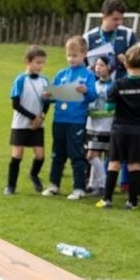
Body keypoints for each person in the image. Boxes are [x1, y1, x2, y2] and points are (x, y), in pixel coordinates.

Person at [96, 45, 140, 210]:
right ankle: (132, 202)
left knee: (114, 163)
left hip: (119, 129)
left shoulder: (118, 84)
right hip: (139, 131)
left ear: (125, 64)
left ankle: (107, 200)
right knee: (134, 165)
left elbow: (110, 109)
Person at [44, 36, 93, 199]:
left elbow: (93, 95)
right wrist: (48, 95)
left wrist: (85, 91)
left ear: (84, 54)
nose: (71, 59)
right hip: (59, 119)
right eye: (69, 55)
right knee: (57, 154)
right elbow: (52, 96)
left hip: (76, 121)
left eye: (75, 55)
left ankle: (79, 187)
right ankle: (54, 185)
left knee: (76, 154)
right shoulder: (61, 74)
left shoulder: (87, 75)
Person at [4, 45, 49, 195]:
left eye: (42, 63)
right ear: (28, 61)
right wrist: (32, 117)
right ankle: (11, 186)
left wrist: (41, 117)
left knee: (40, 155)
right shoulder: (20, 80)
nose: (40, 66)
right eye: (37, 62)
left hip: (38, 125)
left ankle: (34, 174)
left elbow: (47, 102)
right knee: (17, 154)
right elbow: (15, 104)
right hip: (21, 124)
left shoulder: (44, 81)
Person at [83, 56, 115, 195]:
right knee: (94, 154)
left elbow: (112, 109)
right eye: (96, 65)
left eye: (101, 65)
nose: (97, 68)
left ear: (109, 67)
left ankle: (103, 184)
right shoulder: (94, 84)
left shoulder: (113, 86)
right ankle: (92, 183)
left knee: (92, 155)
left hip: (105, 125)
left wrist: (97, 113)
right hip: (91, 124)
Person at [84, 0, 137, 78]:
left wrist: (125, 61)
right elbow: (83, 66)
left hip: (120, 86)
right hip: (98, 86)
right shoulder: (88, 37)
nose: (119, 22)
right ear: (104, 17)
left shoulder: (128, 34)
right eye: (115, 19)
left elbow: (137, 64)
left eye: (121, 19)